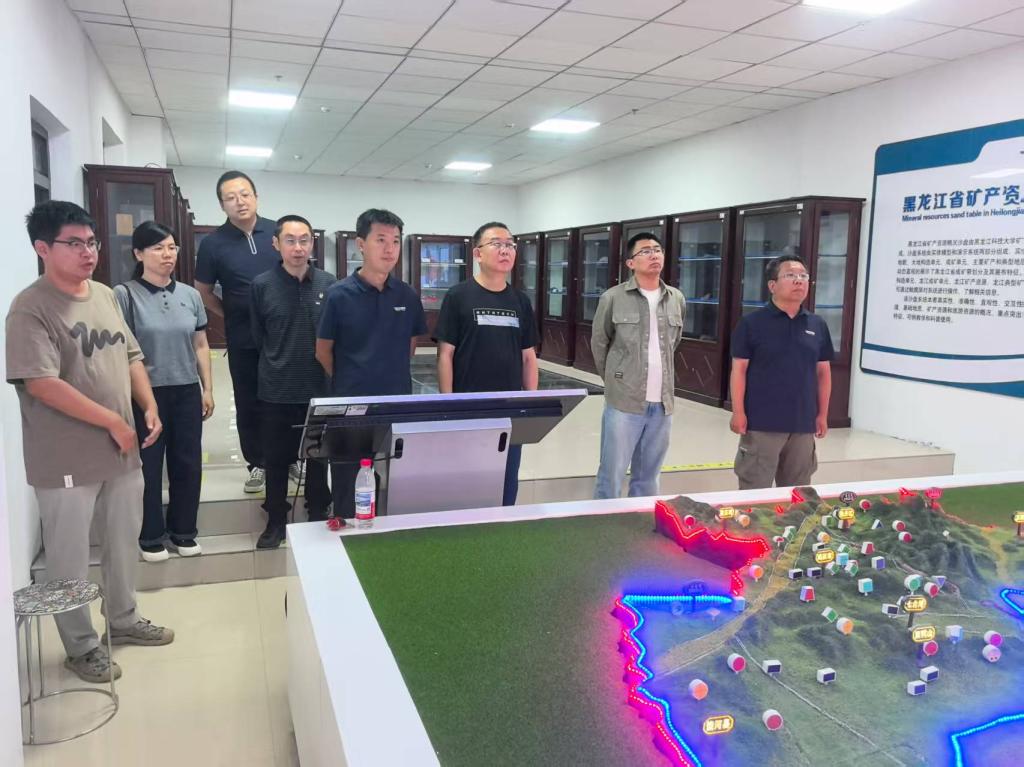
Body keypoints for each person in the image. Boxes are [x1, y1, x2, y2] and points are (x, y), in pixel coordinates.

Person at [6, 201, 174, 684]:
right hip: (65, 458)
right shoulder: (30, 307)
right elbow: (41, 383)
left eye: (92, 242)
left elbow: (131, 355)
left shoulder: (103, 294)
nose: (88, 252)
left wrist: (147, 405)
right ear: (42, 248)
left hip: (120, 451)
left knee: (123, 542)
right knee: (69, 558)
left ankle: (122, 619)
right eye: (74, 243)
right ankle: (80, 647)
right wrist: (111, 421)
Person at [315, 209, 426, 518]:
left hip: (396, 401)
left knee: (398, 475)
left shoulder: (407, 295)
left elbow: (411, 345)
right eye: (381, 240)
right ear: (361, 244)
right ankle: (348, 529)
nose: (390, 249)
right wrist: (351, 379)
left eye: (395, 241)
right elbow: (323, 351)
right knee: (349, 480)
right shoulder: (339, 295)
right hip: (352, 406)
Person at [114, 222, 213, 562]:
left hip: (186, 390)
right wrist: (142, 400)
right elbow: (124, 353)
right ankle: (151, 535)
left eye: (172, 247)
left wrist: (207, 388)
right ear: (138, 254)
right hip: (145, 395)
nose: (167, 254)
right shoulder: (124, 295)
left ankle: (184, 531)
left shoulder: (190, 295)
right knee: (149, 466)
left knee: (188, 463)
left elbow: (201, 344)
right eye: (158, 248)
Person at [435, 221, 538, 505]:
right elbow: (445, 355)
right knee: (467, 479)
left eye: (510, 245)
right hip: (469, 406)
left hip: (510, 408)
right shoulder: (458, 296)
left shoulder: (520, 301)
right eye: (497, 244)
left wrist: (532, 404)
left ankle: (504, 525)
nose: (505, 250)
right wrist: (449, 404)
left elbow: (528, 357)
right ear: (478, 253)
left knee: (507, 479)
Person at [250, 215, 335, 548]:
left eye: (304, 240)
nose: (298, 248)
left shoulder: (329, 284)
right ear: (276, 244)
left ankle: (318, 512)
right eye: (290, 240)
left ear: (312, 243)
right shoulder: (261, 285)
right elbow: (259, 337)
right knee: (276, 460)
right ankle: (276, 520)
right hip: (277, 388)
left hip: (319, 388)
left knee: (318, 457)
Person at [194, 170, 279, 494]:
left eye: (244, 194)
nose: (239, 202)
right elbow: (203, 291)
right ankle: (257, 463)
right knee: (248, 401)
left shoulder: (278, 232)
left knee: (286, 399)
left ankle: (289, 458)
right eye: (230, 197)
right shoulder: (213, 244)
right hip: (243, 337)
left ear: (256, 197)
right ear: (222, 205)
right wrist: (231, 313)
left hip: (284, 335)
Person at [592, 232, 686, 499]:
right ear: (630, 263)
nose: (653, 255)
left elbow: (674, 343)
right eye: (645, 251)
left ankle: (641, 518)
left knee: (649, 476)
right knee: (612, 472)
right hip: (624, 401)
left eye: (657, 250)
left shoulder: (676, 298)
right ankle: (603, 518)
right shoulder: (612, 298)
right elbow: (600, 344)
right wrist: (616, 380)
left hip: (663, 403)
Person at [729, 256, 833, 489]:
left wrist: (822, 415)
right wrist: (738, 412)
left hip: (802, 424)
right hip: (761, 423)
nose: (799, 280)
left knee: (798, 492)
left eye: (803, 276)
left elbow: (823, 373)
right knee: (755, 491)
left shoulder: (817, 325)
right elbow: (739, 371)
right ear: (772, 285)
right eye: (790, 275)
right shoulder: (752, 324)